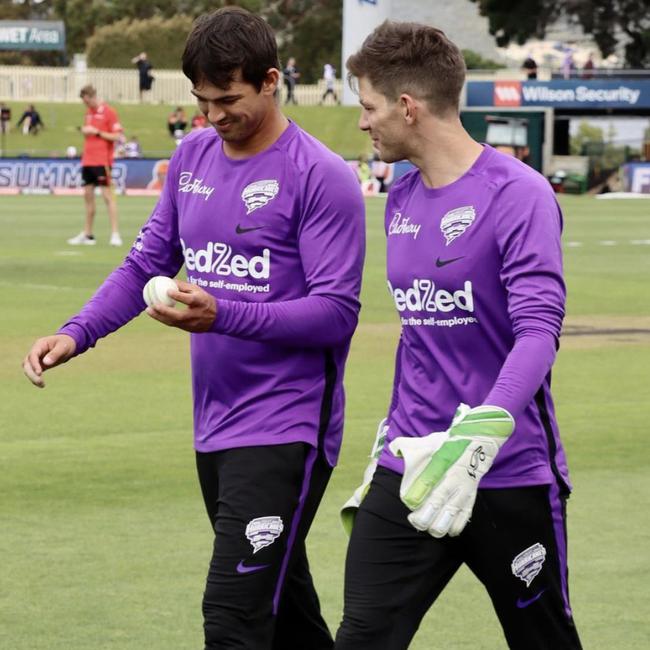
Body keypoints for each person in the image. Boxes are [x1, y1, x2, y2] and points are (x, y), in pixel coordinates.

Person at [23, 7, 365, 650]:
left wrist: (223, 313)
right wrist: (77, 333)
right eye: (202, 100)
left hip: (288, 427)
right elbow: (145, 264)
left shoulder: (321, 176)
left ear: (271, 80)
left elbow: (336, 314)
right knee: (286, 612)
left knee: (232, 616)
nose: (213, 115)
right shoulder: (193, 156)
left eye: (228, 98)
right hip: (215, 422)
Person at [336, 20, 583, 650]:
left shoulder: (518, 194)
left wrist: (480, 434)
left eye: (368, 107)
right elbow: (417, 332)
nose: (363, 122)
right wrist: (388, 437)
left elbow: (538, 331)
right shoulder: (401, 194)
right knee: (364, 635)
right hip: (413, 466)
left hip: (506, 470)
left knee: (543, 637)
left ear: (408, 107)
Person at [67, 85, 123, 247]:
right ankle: (88, 234)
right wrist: (87, 131)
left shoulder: (109, 112)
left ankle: (115, 234)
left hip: (102, 162)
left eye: (86, 100)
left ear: (92, 97)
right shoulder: (88, 113)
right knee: (88, 198)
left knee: (108, 197)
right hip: (88, 161)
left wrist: (97, 132)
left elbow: (116, 136)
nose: (86, 104)